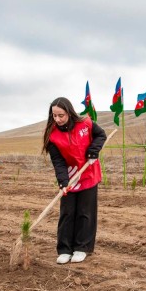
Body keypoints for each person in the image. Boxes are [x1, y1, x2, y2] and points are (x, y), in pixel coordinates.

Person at [42, 97, 107, 264]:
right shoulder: (52, 135)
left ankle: (82, 247)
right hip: (70, 176)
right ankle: (64, 249)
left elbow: (101, 135)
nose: (57, 119)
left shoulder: (85, 123)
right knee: (67, 212)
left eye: (61, 115)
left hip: (88, 172)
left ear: (69, 113)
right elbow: (58, 162)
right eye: (54, 116)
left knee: (85, 212)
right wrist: (63, 182)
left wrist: (93, 152)